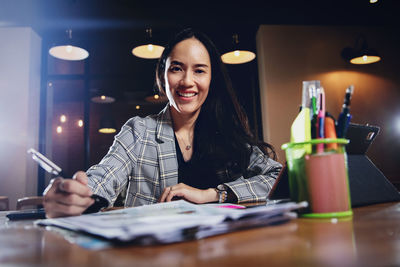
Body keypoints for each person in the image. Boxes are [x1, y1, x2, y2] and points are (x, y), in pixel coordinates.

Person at [43, 28, 282, 218]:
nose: (187, 81)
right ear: (162, 75)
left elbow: (276, 177)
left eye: (199, 71)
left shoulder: (227, 133)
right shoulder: (139, 131)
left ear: (212, 79)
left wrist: (211, 195)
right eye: (177, 68)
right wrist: (77, 196)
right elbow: (103, 177)